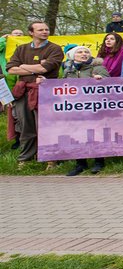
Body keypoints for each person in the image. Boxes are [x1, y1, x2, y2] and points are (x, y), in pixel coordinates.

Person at [6, 22, 64, 167]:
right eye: (40, 30)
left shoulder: (54, 49)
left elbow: (45, 68)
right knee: (25, 126)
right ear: (31, 32)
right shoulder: (21, 49)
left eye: (46, 29)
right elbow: (11, 69)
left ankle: (51, 159)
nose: (45, 32)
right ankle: (25, 158)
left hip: (45, 92)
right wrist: (35, 69)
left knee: (45, 126)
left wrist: (23, 66)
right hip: (23, 92)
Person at [63, 46, 110, 176]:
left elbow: (111, 86)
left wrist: (101, 81)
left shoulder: (97, 68)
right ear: (72, 56)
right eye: (80, 52)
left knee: (96, 134)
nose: (84, 54)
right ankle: (80, 163)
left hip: (94, 108)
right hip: (75, 108)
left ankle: (99, 162)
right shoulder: (68, 70)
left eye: (86, 52)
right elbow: (62, 87)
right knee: (77, 135)